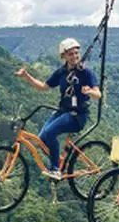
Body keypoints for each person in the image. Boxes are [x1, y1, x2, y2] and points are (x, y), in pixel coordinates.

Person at [14, 38, 102, 179]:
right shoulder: (61, 72)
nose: (74, 56)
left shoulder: (86, 73)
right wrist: (27, 77)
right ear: (64, 56)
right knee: (42, 138)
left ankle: (55, 169)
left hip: (77, 116)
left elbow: (98, 94)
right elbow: (43, 87)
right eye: (70, 54)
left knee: (49, 133)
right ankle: (59, 161)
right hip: (62, 111)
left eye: (76, 53)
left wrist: (90, 92)